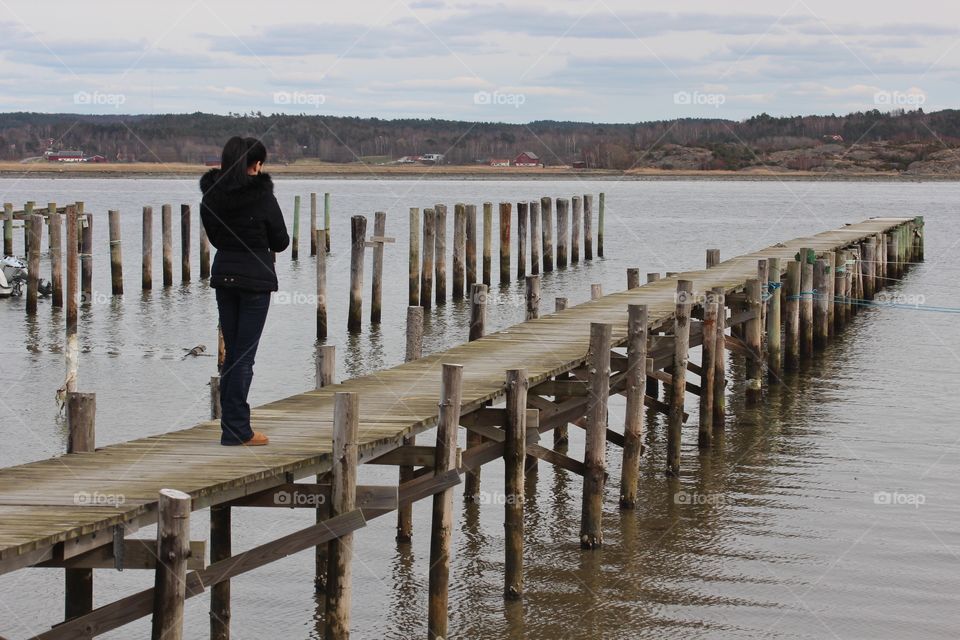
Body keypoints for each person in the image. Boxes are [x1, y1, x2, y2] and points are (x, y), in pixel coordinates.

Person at [200, 137, 289, 445]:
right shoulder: (262, 197)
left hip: (224, 277)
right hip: (255, 280)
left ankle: (232, 426)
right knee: (243, 356)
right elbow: (280, 241)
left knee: (234, 354)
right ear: (256, 164)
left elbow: (214, 237)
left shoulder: (211, 195)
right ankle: (237, 429)